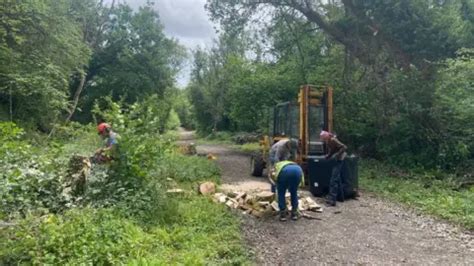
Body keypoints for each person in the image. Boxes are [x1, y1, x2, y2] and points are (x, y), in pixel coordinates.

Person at [320, 130, 347, 207]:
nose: (323, 140)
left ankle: (332, 200)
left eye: (323, 138)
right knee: (337, 178)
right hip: (336, 159)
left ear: (326, 136)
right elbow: (332, 150)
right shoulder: (328, 141)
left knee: (333, 180)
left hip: (340, 159)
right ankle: (341, 197)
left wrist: (337, 155)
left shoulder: (333, 139)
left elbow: (344, 147)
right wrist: (327, 156)